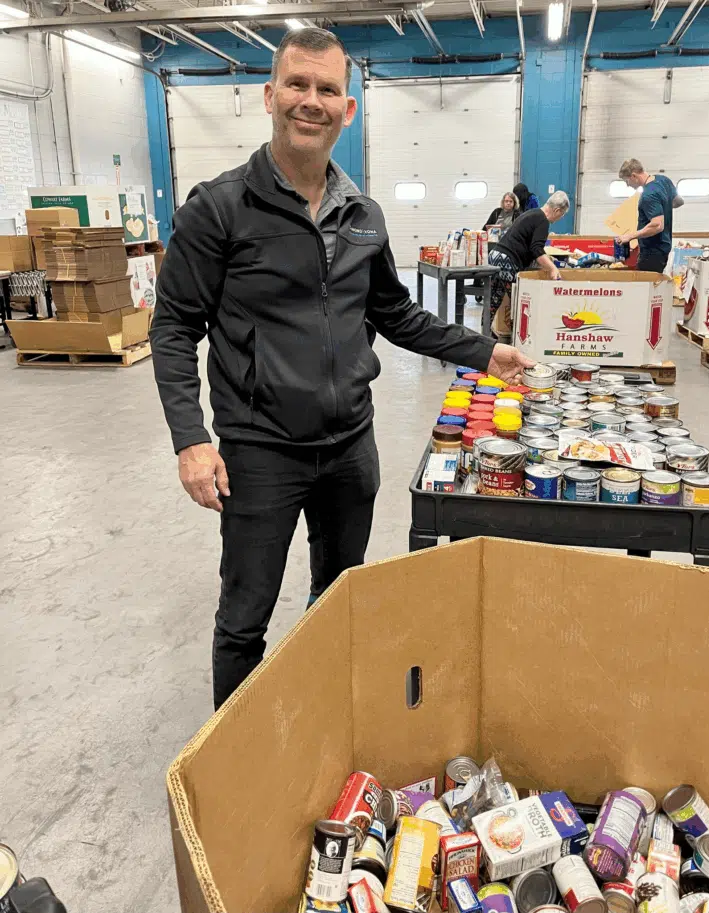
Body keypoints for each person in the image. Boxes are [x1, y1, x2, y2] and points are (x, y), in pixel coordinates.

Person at [150, 26, 535, 710]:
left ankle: (322, 725)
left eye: (328, 89)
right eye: (297, 85)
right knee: (245, 619)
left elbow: (395, 313)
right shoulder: (219, 208)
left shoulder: (364, 216)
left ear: (347, 109)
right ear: (270, 95)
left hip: (351, 448)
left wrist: (482, 351)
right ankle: (238, 762)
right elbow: (174, 326)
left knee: (338, 597)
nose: (311, 101)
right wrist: (191, 439)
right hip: (260, 451)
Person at [488, 191, 570, 331]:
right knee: (519, 302)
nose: (560, 218)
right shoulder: (543, 220)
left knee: (493, 301)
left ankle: (484, 334)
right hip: (508, 261)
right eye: (561, 215)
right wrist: (552, 268)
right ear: (557, 210)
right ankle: (521, 338)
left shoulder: (532, 213)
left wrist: (546, 259)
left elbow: (528, 244)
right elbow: (536, 249)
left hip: (495, 256)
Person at [616, 159, 684, 273]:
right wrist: (662, 207)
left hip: (652, 252)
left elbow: (657, 225)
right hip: (663, 248)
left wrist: (630, 236)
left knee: (643, 287)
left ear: (634, 176)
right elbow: (679, 201)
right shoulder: (663, 180)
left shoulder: (648, 195)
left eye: (626, 181)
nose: (627, 185)